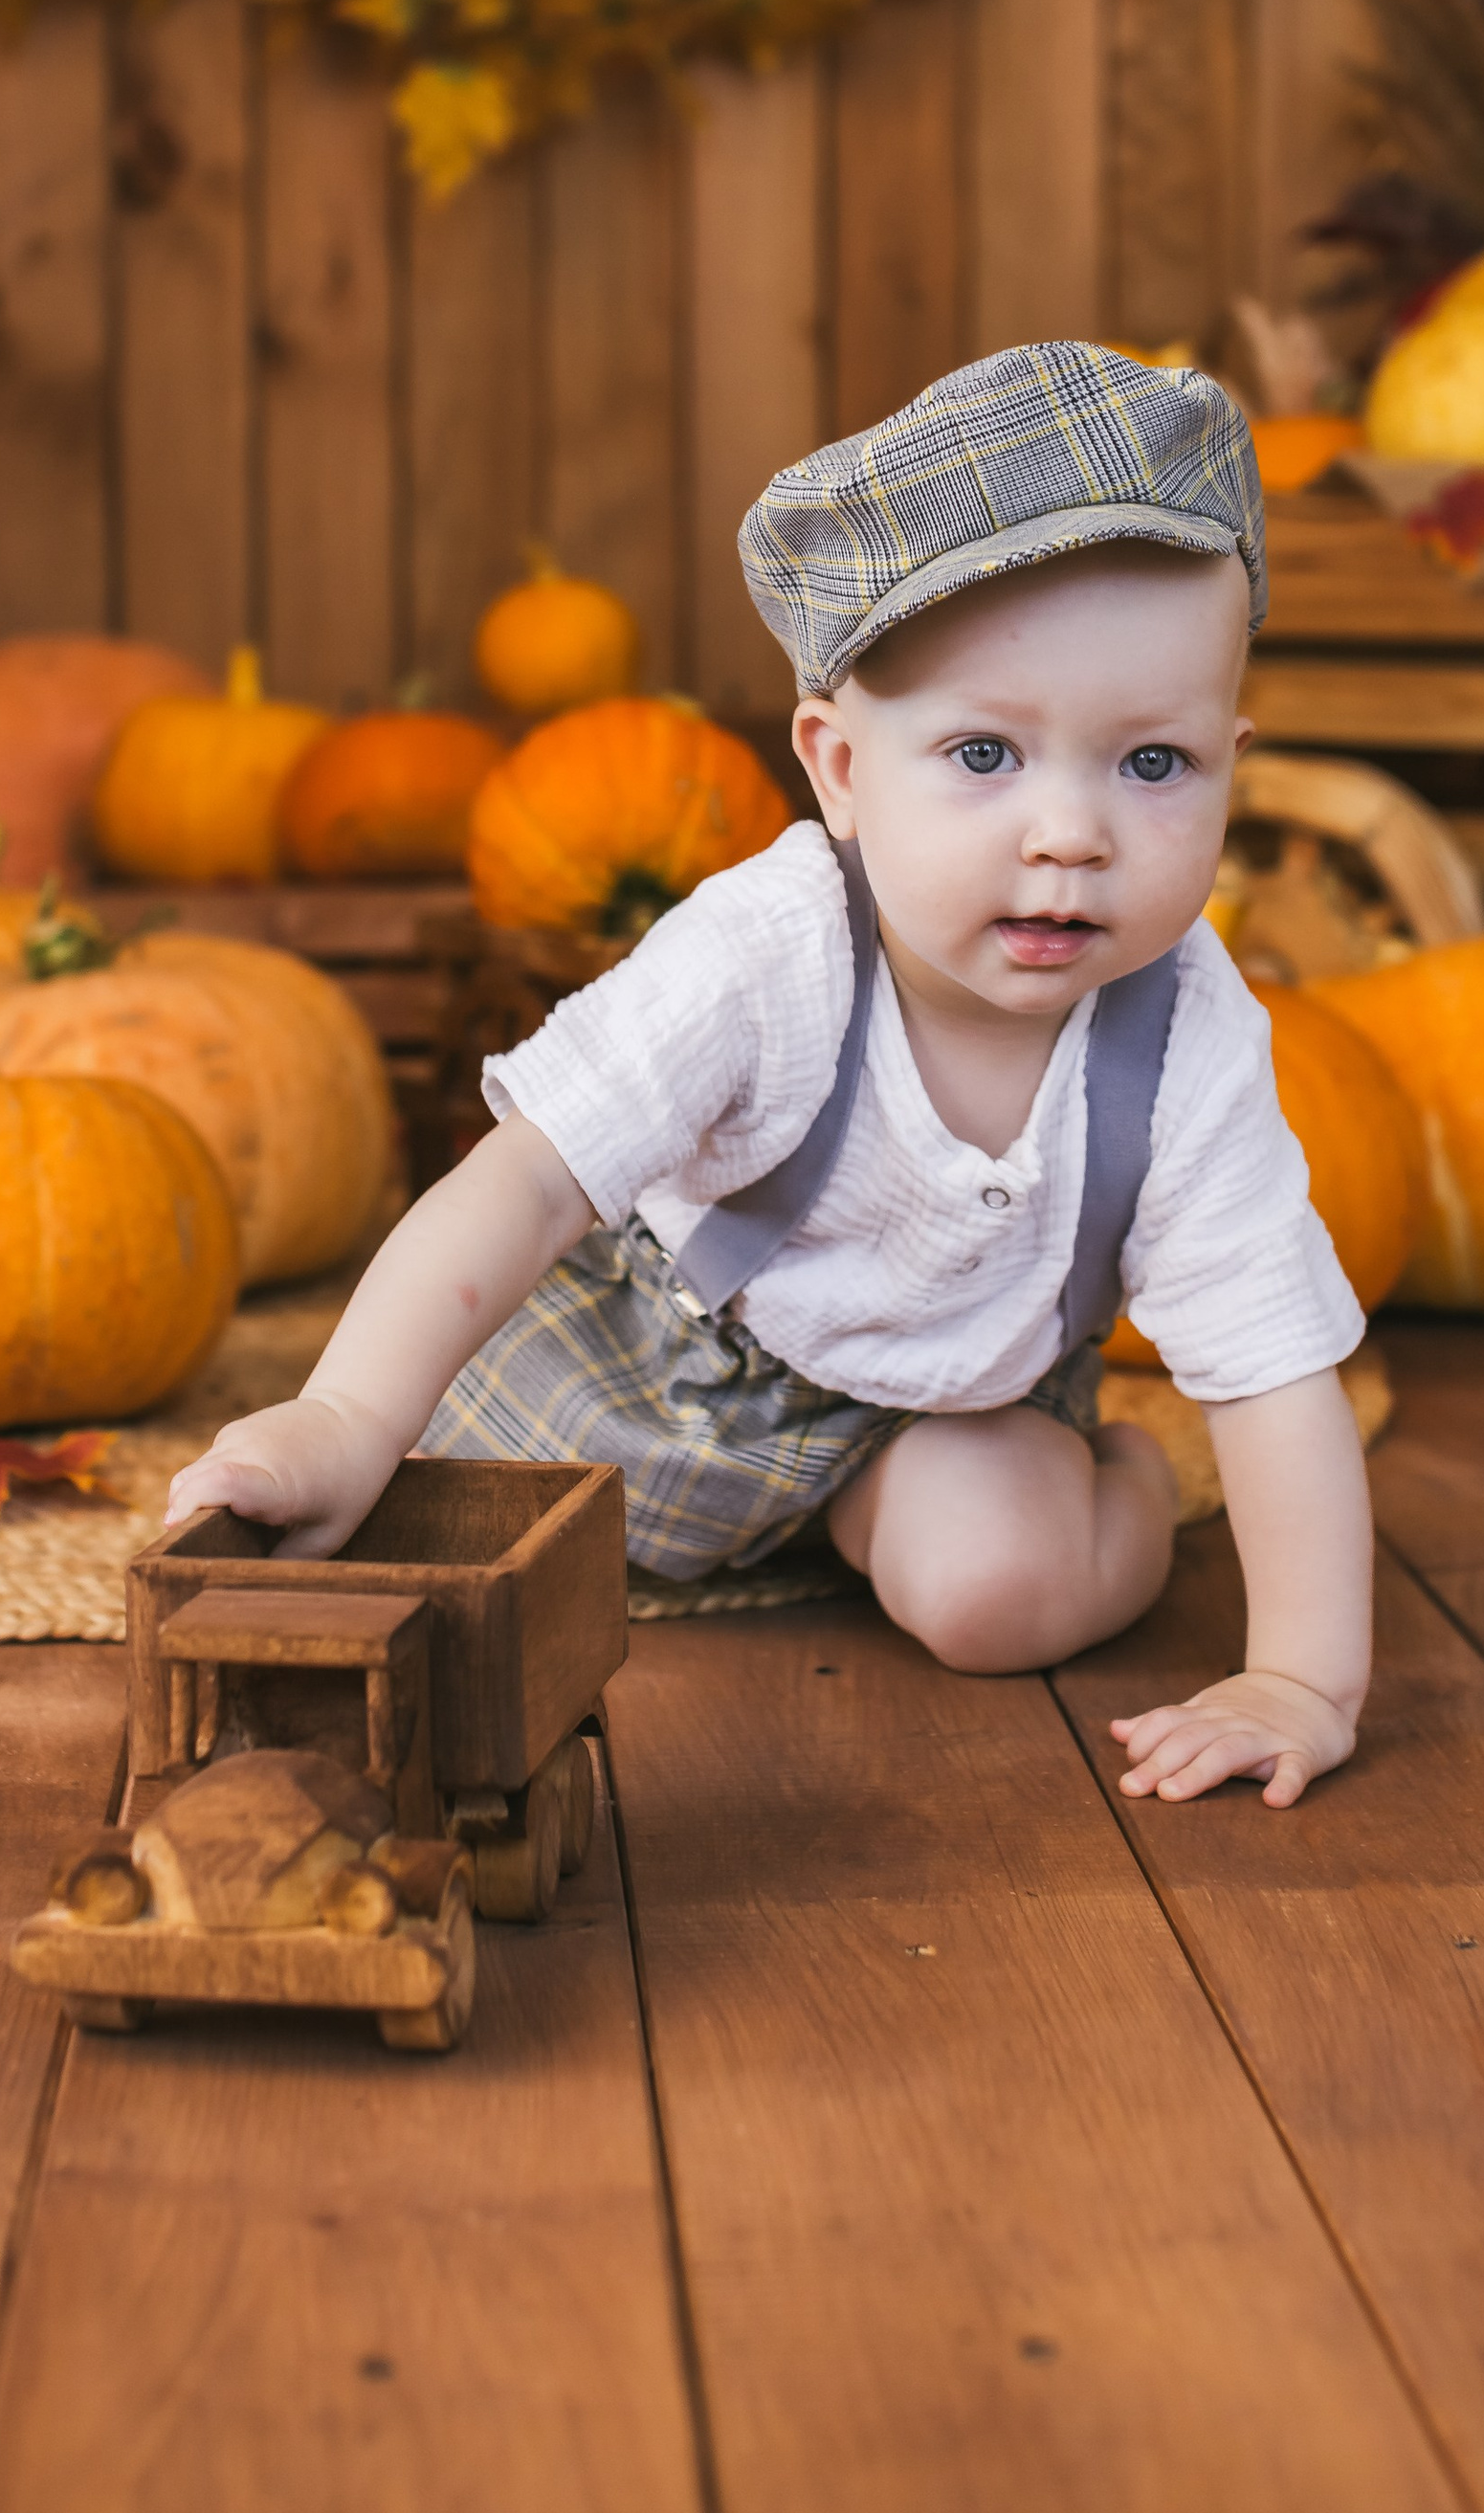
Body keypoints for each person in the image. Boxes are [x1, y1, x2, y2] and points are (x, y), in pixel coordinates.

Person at [167, 343, 1374, 1808]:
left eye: (1155, 765)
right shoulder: (768, 949)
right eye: (986, 753)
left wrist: (1302, 1677)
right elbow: (528, 1181)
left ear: (1232, 761)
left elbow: (1269, 1364)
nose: (1072, 833)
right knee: (408, 1533)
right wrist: (349, 1416)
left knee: (1001, 1599)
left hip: (951, 1410)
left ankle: (1118, 1484)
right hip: (668, 1371)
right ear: (840, 767)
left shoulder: (1184, 1034)